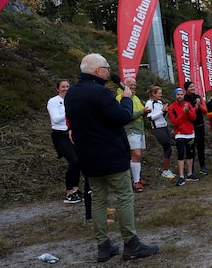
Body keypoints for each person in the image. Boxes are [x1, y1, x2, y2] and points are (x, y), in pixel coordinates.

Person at [64, 53, 158, 262]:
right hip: (110, 154)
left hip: (87, 156)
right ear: (98, 71)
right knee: (124, 197)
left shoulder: (71, 93)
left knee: (97, 200)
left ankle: (103, 247)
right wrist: (125, 99)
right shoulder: (101, 93)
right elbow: (122, 117)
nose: (109, 71)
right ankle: (131, 244)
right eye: (106, 67)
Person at [48, 79, 82, 204]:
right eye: (63, 87)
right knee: (73, 161)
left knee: (79, 162)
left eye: (67, 86)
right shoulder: (53, 101)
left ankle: (75, 190)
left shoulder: (72, 100)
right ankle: (69, 192)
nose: (66, 89)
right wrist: (69, 113)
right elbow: (56, 119)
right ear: (58, 88)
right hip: (60, 134)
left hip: (72, 133)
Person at [117, 77, 150, 193]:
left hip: (139, 130)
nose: (133, 87)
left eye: (135, 85)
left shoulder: (135, 98)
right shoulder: (120, 98)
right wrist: (142, 112)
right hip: (130, 130)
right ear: (124, 85)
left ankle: (138, 178)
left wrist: (145, 112)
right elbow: (126, 115)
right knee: (136, 154)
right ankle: (135, 181)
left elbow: (140, 114)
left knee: (137, 155)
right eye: (131, 85)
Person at [167, 87, 198, 186]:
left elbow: (193, 117)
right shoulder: (172, 107)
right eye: (178, 94)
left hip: (190, 133)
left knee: (190, 154)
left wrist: (188, 111)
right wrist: (183, 113)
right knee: (181, 154)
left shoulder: (188, 104)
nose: (180, 96)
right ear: (175, 96)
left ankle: (189, 173)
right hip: (180, 133)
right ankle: (181, 176)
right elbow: (174, 122)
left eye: (181, 94)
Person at [144, 85, 175, 180]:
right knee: (167, 146)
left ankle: (166, 169)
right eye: (159, 93)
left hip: (164, 126)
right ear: (154, 94)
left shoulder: (159, 102)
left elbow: (162, 116)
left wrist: (165, 111)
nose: (161, 95)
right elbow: (150, 118)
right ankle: (165, 170)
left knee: (169, 147)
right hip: (157, 128)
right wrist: (162, 111)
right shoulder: (149, 103)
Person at [182, 81, 209, 175]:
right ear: (186, 89)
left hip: (200, 124)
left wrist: (199, 105)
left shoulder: (198, 97)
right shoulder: (184, 99)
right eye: (190, 87)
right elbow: (187, 114)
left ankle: (202, 166)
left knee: (201, 147)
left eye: (193, 86)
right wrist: (195, 107)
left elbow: (205, 111)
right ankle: (191, 169)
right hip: (190, 126)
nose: (193, 88)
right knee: (191, 148)